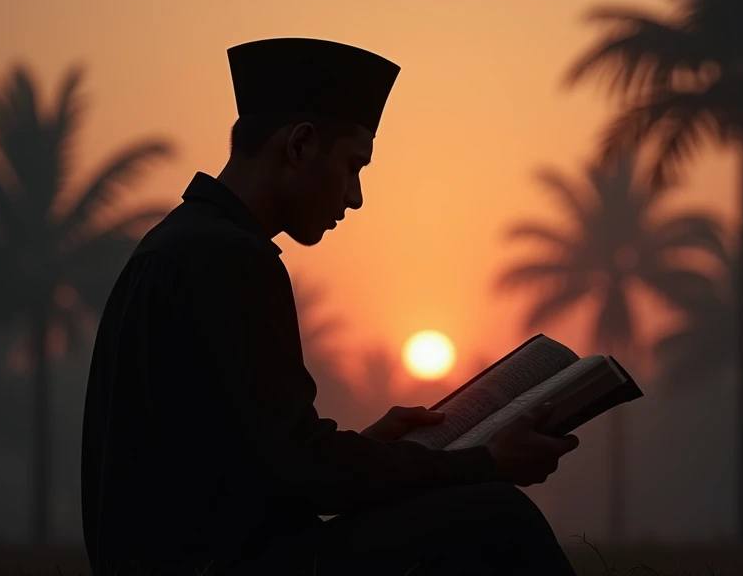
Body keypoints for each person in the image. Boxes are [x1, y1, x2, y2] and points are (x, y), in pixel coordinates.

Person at [80, 37, 581, 576]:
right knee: (497, 514)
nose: (355, 196)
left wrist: (368, 448)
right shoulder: (231, 259)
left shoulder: (174, 246)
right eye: (352, 166)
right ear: (299, 146)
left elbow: (255, 463)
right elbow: (301, 471)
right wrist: (482, 461)